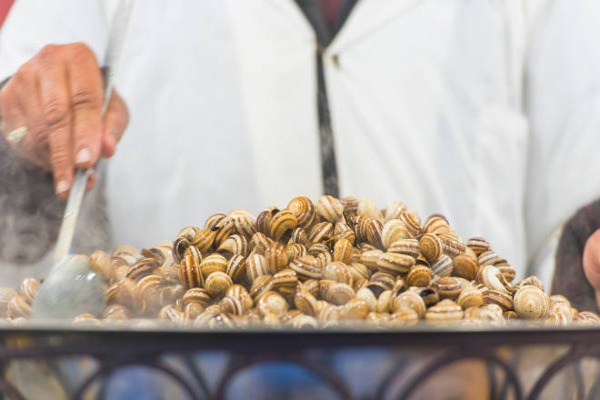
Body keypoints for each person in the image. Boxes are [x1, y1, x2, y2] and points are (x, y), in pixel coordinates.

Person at [1, 1, 600, 399]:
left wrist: (590, 252)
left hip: (462, 380)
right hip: (169, 379)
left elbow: (584, 181)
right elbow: (19, 128)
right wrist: (26, 130)